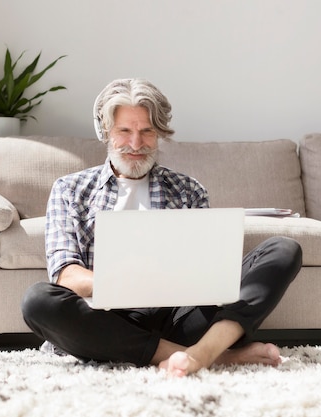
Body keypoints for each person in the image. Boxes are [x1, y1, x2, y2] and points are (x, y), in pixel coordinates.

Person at [22, 78, 302, 377]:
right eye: (124, 131)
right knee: (38, 301)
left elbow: (206, 275)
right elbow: (67, 276)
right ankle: (213, 357)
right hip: (108, 322)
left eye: (147, 131)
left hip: (179, 318)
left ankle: (204, 349)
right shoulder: (69, 190)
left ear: (160, 134)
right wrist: (135, 278)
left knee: (284, 249)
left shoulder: (188, 189)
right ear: (105, 132)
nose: (136, 143)